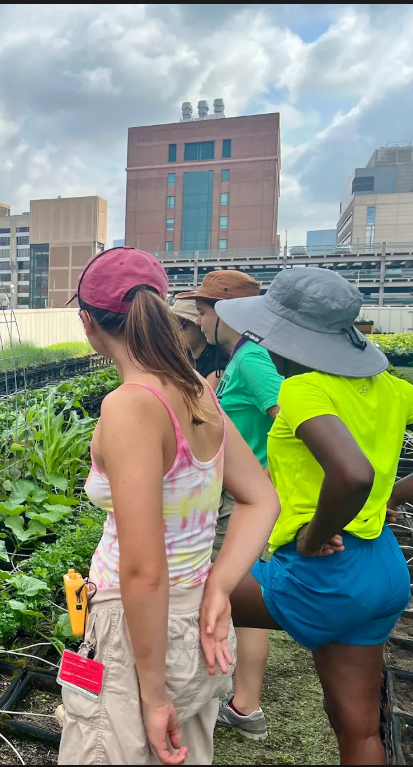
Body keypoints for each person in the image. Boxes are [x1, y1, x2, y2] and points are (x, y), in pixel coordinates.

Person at [56, 246, 281, 766]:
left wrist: (153, 696)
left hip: (135, 628)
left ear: (88, 322)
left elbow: (143, 570)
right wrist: (218, 585)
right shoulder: (199, 394)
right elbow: (260, 497)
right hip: (193, 614)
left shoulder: (131, 405)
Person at [202, 267, 412, 765]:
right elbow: (362, 479)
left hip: (327, 572)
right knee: (357, 729)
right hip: (382, 570)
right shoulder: (391, 388)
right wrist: (392, 499)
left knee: (182, 597)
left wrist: (317, 533)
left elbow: (352, 473)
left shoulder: (304, 391)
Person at [181, 270, 281, 740]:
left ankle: (244, 705)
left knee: (239, 599)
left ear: (226, 313)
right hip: (237, 497)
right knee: (239, 598)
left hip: (243, 502)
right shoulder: (237, 360)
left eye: (202, 311)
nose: (199, 322)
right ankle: (241, 703)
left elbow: (291, 418)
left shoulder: (253, 360)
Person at [170, 298, 225, 380]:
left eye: (182, 325)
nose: (175, 332)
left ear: (200, 326)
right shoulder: (182, 359)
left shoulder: (215, 369)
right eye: (172, 325)